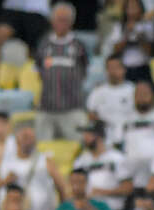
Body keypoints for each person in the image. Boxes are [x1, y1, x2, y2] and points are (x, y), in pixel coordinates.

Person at [34, 3, 89, 141]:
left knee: (78, 146)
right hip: (46, 109)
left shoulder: (79, 45)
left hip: (73, 108)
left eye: (65, 19)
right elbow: (38, 70)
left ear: (71, 22)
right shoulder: (44, 44)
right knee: (43, 149)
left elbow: (85, 70)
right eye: (58, 19)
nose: (61, 23)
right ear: (52, 20)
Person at [73, 120, 132, 210]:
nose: (84, 137)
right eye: (84, 134)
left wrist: (102, 192)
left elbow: (128, 188)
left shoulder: (116, 158)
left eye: (88, 133)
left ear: (99, 135)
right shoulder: (80, 161)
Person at [85, 54, 135, 150]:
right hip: (105, 139)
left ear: (124, 69)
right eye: (110, 68)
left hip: (128, 137)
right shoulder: (97, 92)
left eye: (116, 67)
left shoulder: (133, 90)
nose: (113, 71)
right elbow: (90, 115)